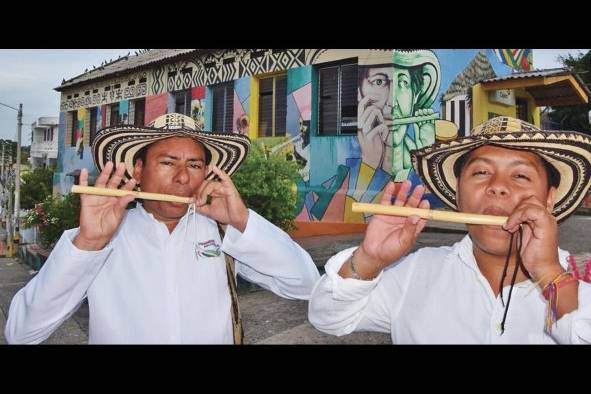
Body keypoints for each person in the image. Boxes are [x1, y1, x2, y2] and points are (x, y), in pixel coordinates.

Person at [5, 113, 320, 344]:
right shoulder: (101, 238)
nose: (183, 178)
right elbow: (21, 332)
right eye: (168, 163)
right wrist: (88, 243)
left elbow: (306, 285)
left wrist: (241, 220)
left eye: (195, 165)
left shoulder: (222, 233)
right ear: (138, 170)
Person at [309, 116, 591, 344]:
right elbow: (327, 317)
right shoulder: (413, 274)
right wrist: (369, 260)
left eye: (520, 175)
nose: (498, 186)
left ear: (549, 198)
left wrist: (549, 274)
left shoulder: (582, 283)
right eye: (481, 172)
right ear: (458, 193)